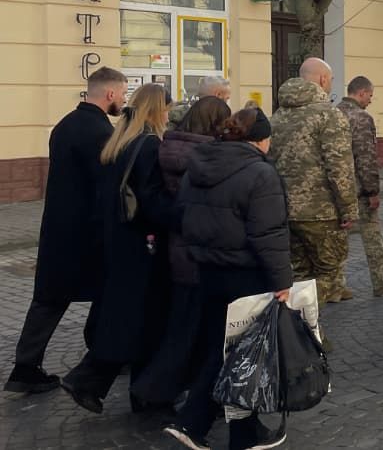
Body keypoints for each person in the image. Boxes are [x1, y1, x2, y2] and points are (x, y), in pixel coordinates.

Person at [165, 107, 291, 450]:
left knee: (222, 349)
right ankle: (198, 424)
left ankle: (234, 431)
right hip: (245, 274)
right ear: (260, 140)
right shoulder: (260, 173)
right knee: (239, 355)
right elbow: (269, 233)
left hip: (206, 271)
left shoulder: (200, 163)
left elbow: (182, 215)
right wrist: (283, 281)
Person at [4, 67, 127, 395]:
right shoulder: (100, 131)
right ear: (111, 94)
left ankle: (25, 367)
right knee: (105, 291)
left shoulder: (65, 125)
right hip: (87, 232)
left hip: (58, 227)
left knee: (50, 298)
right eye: (123, 93)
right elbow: (105, 185)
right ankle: (102, 354)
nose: (125, 100)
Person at [61, 84, 176, 414]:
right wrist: (181, 215)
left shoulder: (119, 142)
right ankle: (102, 382)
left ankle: (136, 391)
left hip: (118, 239)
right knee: (140, 317)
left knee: (133, 317)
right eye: (166, 109)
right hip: (142, 244)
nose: (169, 115)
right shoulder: (150, 145)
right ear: (157, 110)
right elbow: (151, 200)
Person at [131, 95, 231, 407]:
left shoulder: (166, 146)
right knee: (193, 332)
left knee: (180, 324)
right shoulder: (207, 157)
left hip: (174, 247)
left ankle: (161, 389)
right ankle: (159, 389)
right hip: (200, 250)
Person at [270, 57, 358, 304]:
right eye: (330, 79)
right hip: (322, 212)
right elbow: (340, 168)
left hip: (285, 209)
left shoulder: (277, 116)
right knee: (328, 274)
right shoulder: (329, 116)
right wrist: (348, 210)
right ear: (322, 79)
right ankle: (301, 326)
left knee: (299, 273)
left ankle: (302, 332)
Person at [336, 76, 383, 298]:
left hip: (338, 188)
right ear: (362, 93)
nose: (371, 101)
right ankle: (381, 279)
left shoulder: (334, 113)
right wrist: (373, 191)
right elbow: (366, 157)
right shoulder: (361, 118)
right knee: (372, 232)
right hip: (358, 188)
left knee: (340, 234)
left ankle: (336, 285)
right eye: (370, 96)